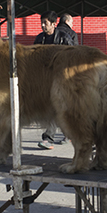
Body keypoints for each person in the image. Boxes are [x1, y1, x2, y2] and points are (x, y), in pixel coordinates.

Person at [33, 11, 71, 149]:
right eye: (42, 23)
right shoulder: (39, 39)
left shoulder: (64, 38)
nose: (43, 26)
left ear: (54, 24)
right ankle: (52, 138)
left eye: (46, 23)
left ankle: (59, 135)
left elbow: (72, 58)